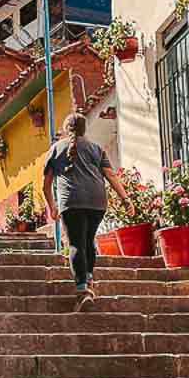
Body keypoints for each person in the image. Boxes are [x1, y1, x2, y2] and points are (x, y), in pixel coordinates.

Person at [41, 111, 130, 309]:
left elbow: (45, 184)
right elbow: (111, 176)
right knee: (88, 241)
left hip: (71, 202)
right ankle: (88, 279)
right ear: (84, 129)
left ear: (65, 129)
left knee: (75, 244)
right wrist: (125, 199)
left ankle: (82, 289)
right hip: (97, 201)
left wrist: (52, 207)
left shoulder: (56, 149)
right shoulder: (96, 149)